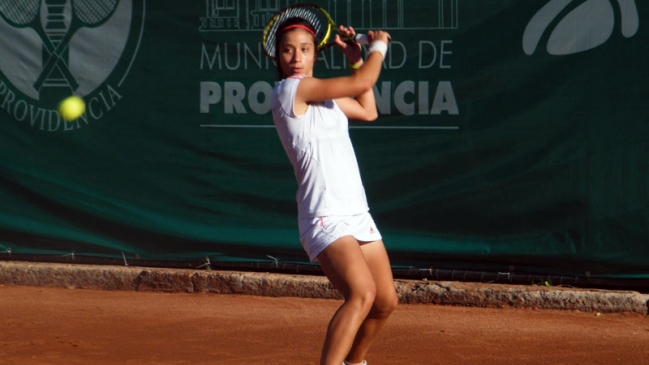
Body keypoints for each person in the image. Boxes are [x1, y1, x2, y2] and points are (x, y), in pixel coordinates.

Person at [269, 17, 398, 365]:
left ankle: (354, 362)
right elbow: (366, 80)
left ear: (315, 55)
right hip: (324, 215)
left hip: (356, 211)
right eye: (287, 50)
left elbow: (368, 110)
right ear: (277, 57)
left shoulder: (326, 98)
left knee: (385, 301)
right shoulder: (289, 91)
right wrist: (379, 46)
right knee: (362, 294)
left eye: (305, 50)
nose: (296, 57)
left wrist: (356, 58)